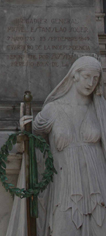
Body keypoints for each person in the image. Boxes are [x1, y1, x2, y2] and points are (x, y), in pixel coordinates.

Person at [33, 56, 106, 235]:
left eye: (95, 79)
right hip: (66, 184)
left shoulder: (100, 109)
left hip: (97, 184)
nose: (91, 83)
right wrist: (23, 126)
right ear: (74, 76)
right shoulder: (53, 110)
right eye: (87, 76)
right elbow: (33, 137)